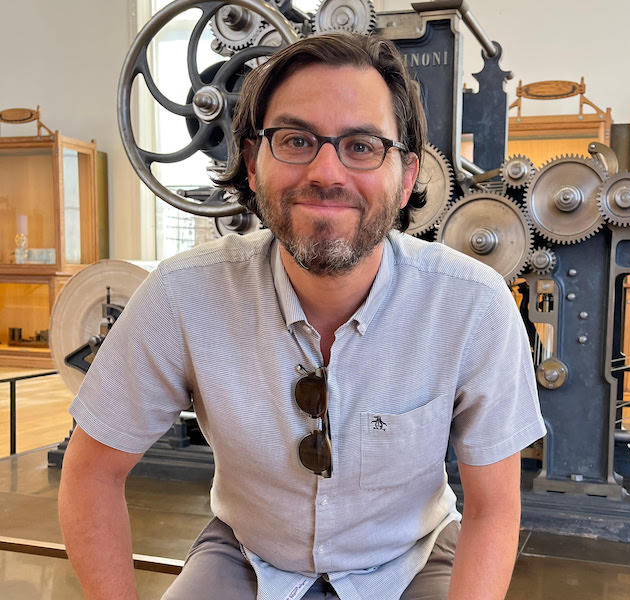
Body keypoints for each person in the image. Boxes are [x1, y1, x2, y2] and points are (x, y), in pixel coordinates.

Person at [58, 32, 545, 600]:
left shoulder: (473, 305)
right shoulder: (181, 295)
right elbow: (91, 472)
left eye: (362, 146)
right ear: (250, 160)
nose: (326, 173)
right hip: (250, 551)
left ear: (409, 176)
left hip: (411, 556)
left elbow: (493, 508)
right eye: (294, 140)